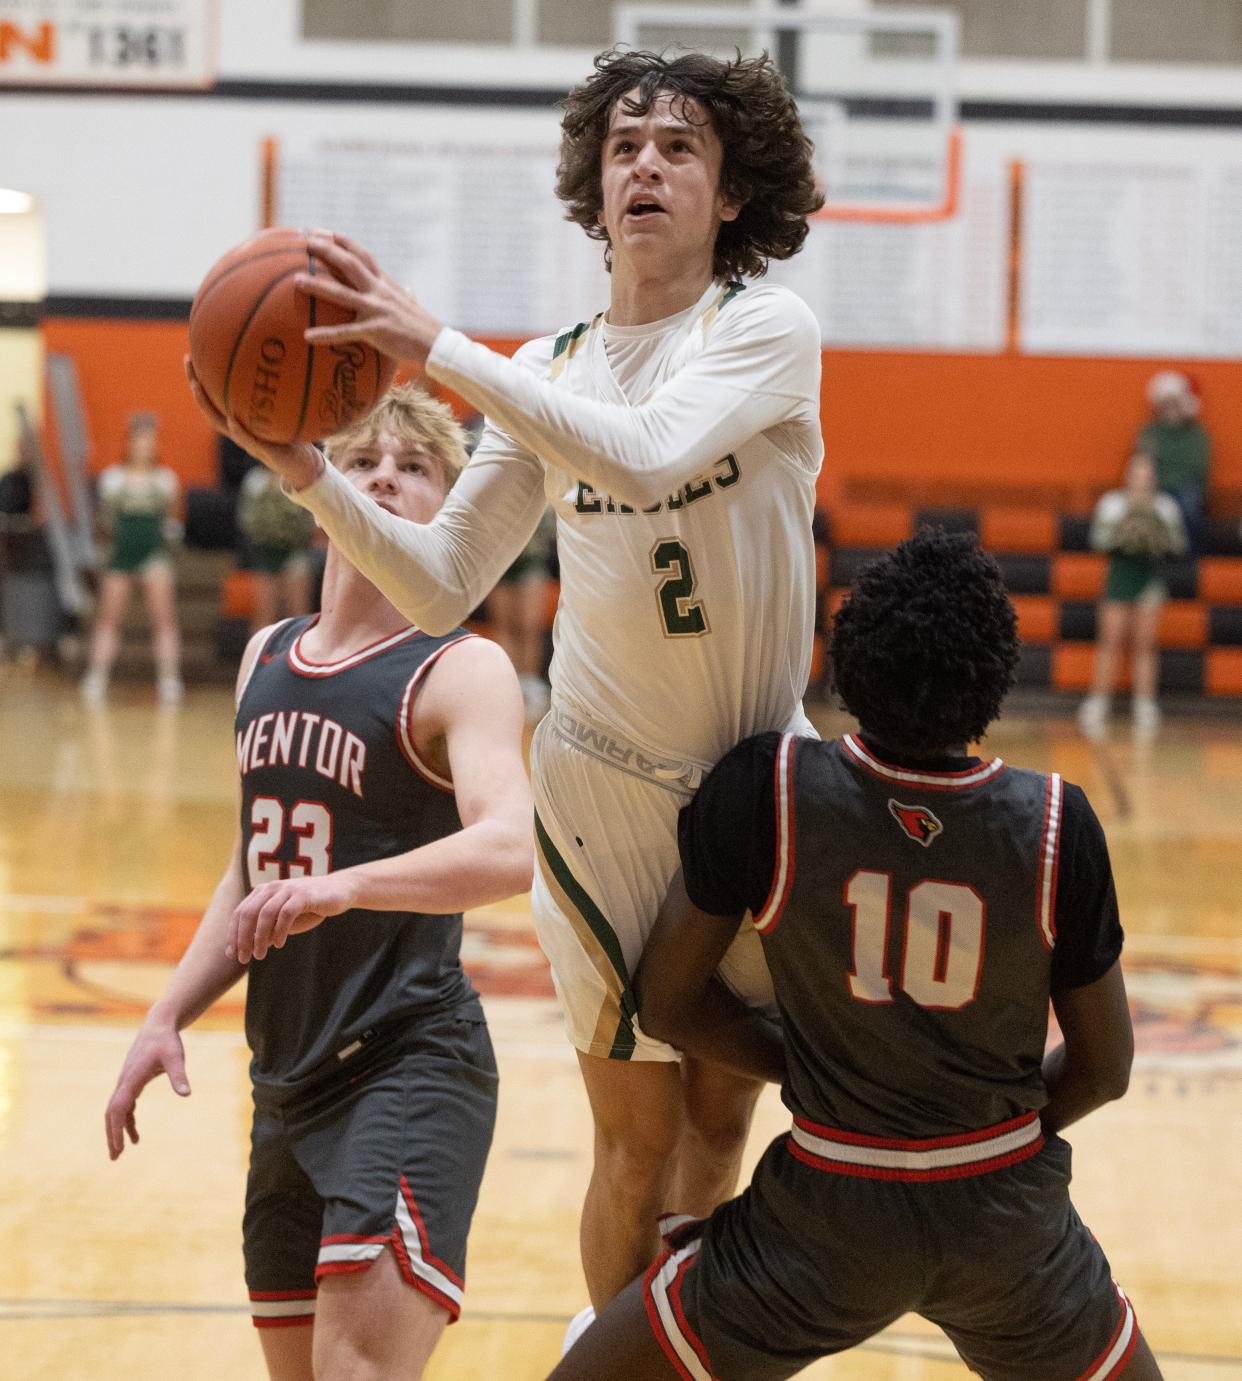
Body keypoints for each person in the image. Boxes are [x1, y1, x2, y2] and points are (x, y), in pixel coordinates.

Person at [186, 46, 825, 1323]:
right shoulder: (553, 364)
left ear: (732, 190)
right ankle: (625, 1355)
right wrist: (307, 471)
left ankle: (679, 1345)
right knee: (637, 1143)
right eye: (625, 145)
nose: (647, 163)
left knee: (720, 1124)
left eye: (681, 147)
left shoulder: (763, 329)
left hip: (760, 775)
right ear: (595, 184)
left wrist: (439, 350)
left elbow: (644, 456)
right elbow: (439, 583)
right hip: (603, 791)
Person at [551, 528, 1162, 1381]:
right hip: (1003, 1216)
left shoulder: (768, 788)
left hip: (824, 1211)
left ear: (851, 655)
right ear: (994, 676)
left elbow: (669, 1002)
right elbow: (1107, 1068)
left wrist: (806, 1075)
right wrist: (991, 1131)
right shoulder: (1058, 822)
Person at [104, 385, 534, 1381]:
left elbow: (511, 848)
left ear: (448, 515)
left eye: (416, 465)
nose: (386, 472)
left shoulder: (459, 667)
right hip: (284, 1075)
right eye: (367, 456)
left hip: (404, 1059)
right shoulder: (268, 652)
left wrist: (345, 888)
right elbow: (255, 868)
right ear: (321, 485)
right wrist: (166, 1010)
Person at [1078, 451, 1186, 741]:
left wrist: (1155, 532)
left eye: (1146, 476)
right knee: (1110, 640)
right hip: (1118, 577)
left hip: (1149, 579)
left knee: (1145, 644)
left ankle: (1144, 704)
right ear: (1128, 476)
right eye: (1136, 475)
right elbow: (1097, 541)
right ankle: (1099, 702)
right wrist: (1124, 532)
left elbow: (1178, 544)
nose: (1141, 481)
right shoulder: (1112, 504)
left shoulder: (1165, 506)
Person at [81, 412, 184, 704]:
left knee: (164, 619)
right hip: (122, 554)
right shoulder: (113, 479)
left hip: (155, 556)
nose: (144, 445)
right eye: (139, 439)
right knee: (108, 619)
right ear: (130, 442)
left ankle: (169, 679)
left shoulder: (166, 481)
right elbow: (106, 520)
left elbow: (172, 519)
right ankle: (97, 677)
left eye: (150, 439)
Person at [487, 506, 555, 722]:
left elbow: (551, 521)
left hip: (531, 558)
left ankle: (531, 686)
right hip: (500, 559)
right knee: (504, 625)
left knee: (529, 626)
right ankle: (510, 685)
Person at [237, 463, 319, 633]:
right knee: (264, 614)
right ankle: (259, 656)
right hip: (265, 552)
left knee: (298, 615)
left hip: (295, 551)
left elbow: (311, 516)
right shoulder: (255, 480)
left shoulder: (300, 475)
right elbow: (247, 519)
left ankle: (297, 652)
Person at [1137, 370, 1210, 552]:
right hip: (1155, 486)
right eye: (1166, 404)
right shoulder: (1150, 432)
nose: (1170, 409)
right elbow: (1144, 464)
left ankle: (1187, 555)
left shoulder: (1197, 434)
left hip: (1184, 489)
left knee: (1188, 501)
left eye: (1174, 404)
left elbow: (1196, 468)